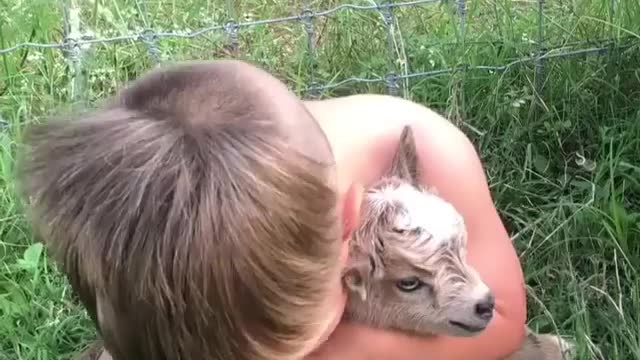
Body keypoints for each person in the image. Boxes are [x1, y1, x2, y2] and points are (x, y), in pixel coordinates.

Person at [16, 59, 526, 360]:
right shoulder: (138, 221)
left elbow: (503, 319)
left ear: (348, 227)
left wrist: (343, 353)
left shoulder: (433, 157)